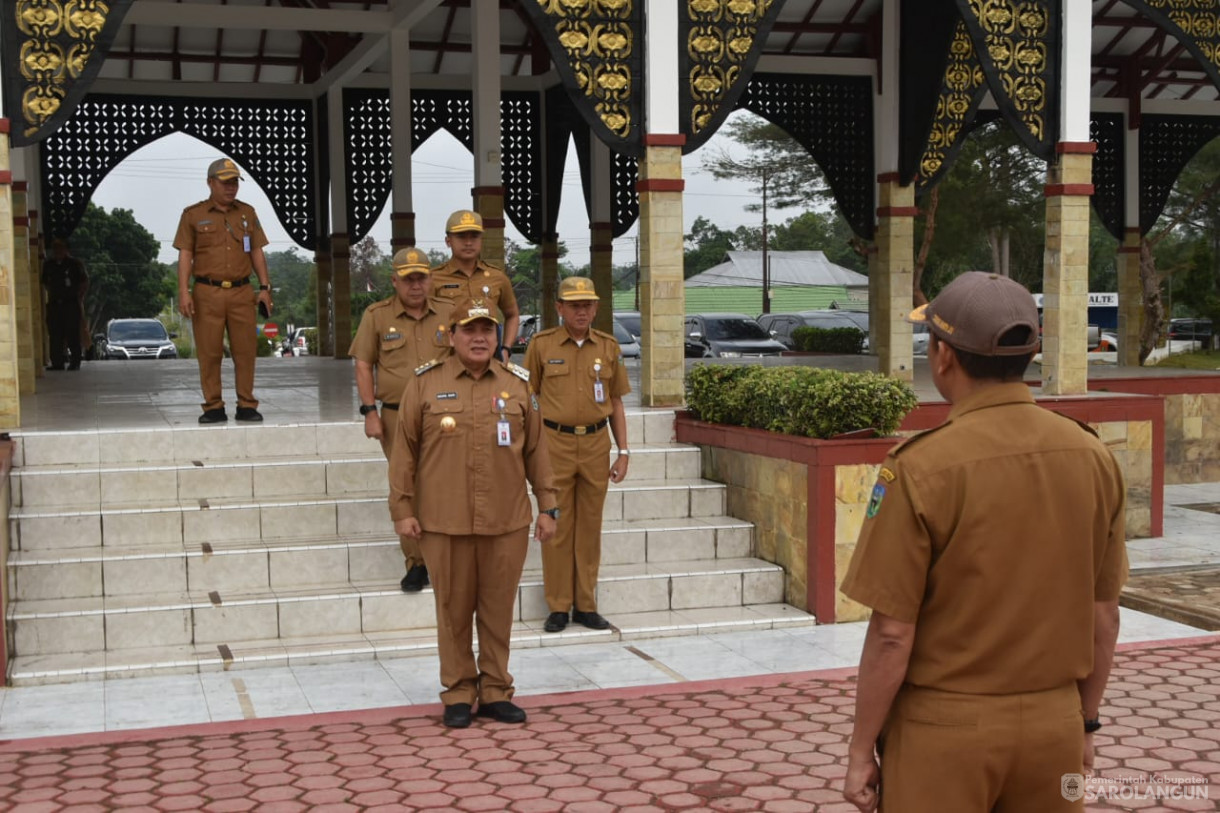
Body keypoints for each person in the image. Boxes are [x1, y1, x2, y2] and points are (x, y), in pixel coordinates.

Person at [840, 272, 1128, 813]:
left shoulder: (921, 467)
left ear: (944, 356)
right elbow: (1105, 616)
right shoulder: (1091, 455)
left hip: (944, 732)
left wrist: (860, 750)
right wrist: (1085, 723)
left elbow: (892, 636)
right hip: (1055, 726)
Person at [389, 297, 558, 729]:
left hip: (507, 519)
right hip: (443, 521)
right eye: (469, 329)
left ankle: (497, 690)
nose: (480, 337)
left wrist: (548, 506)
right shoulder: (425, 384)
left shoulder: (518, 384)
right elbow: (403, 452)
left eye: (487, 329)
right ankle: (459, 692)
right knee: (452, 610)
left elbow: (538, 450)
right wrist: (402, 508)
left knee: (498, 610)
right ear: (451, 335)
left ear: (498, 335)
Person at [523, 276, 631, 633]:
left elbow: (615, 402)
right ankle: (557, 606)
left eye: (587, 304)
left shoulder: (609, 346)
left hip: (597, 444)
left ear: (596, 308)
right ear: (559, 308)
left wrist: (624, 451)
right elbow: (530, 400)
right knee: (555, 524)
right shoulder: (541, 345)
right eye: (574, 305)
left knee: (589, 528)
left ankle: (586, 604)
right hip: (555, 444)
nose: (581, 311)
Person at [350, 247, 451, 593]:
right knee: (404, 487)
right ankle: (416, 563)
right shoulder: (376, 316)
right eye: (408, 279)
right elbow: (363, 364)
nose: (416, 285)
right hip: (395, 417)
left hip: (444, 417)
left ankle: (443, 558)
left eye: (422, 277)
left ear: (431, 279)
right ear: (395, 281)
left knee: (442, 486)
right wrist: (369, 412)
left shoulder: (450, 314)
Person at [174, 157, 273, 424]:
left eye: (234, 183)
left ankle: (247, 404)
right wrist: (184, 291)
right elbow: (185, 254)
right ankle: (213, 406)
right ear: (210, 183)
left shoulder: (247, 213)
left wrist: (264, 287)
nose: (231, 188)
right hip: (207, 292)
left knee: (245, 350)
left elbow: (256, 251)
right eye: (225, 182)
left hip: (242, 292)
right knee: (209, 352)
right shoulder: (193, 215)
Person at [429, 210, 520, 362]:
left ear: (481, 239)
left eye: (474, 236)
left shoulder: (497, 277)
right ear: (448, 241)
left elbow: (512, 315)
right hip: (448, 361)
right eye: (461, 236)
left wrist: (506, 349)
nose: (468, 242)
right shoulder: (433, 278)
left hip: (489, 361)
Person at [42, 238, 89, 371]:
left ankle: (75, 361)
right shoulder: (49, 264)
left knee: (72, 333)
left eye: (61, 248)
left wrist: (78, 296)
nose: (58, 251)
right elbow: (45, 282)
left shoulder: (75, 264)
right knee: (55, 333)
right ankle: (57, 362)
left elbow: (84, 282)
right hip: (55, 304)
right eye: (56, 248)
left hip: (71, 304)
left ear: (67, 250)